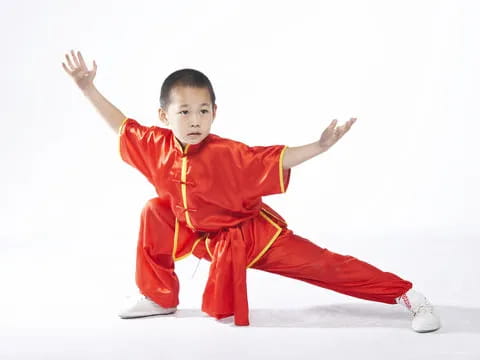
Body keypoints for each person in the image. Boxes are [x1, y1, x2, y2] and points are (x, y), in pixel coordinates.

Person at [62, 49, 441, 333]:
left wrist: (319, 146)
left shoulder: (230, 154)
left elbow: (279, 157)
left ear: (214, 111)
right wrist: (88, 88)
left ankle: (408, 295)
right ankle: (159, 297)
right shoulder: (155, 146)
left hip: (250, 238)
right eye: (184, 112)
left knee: (326, 265)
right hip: (198, 235)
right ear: (164, 116)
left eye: (203, 111)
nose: (195, 120)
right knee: (154, 210)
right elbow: (121, 125)